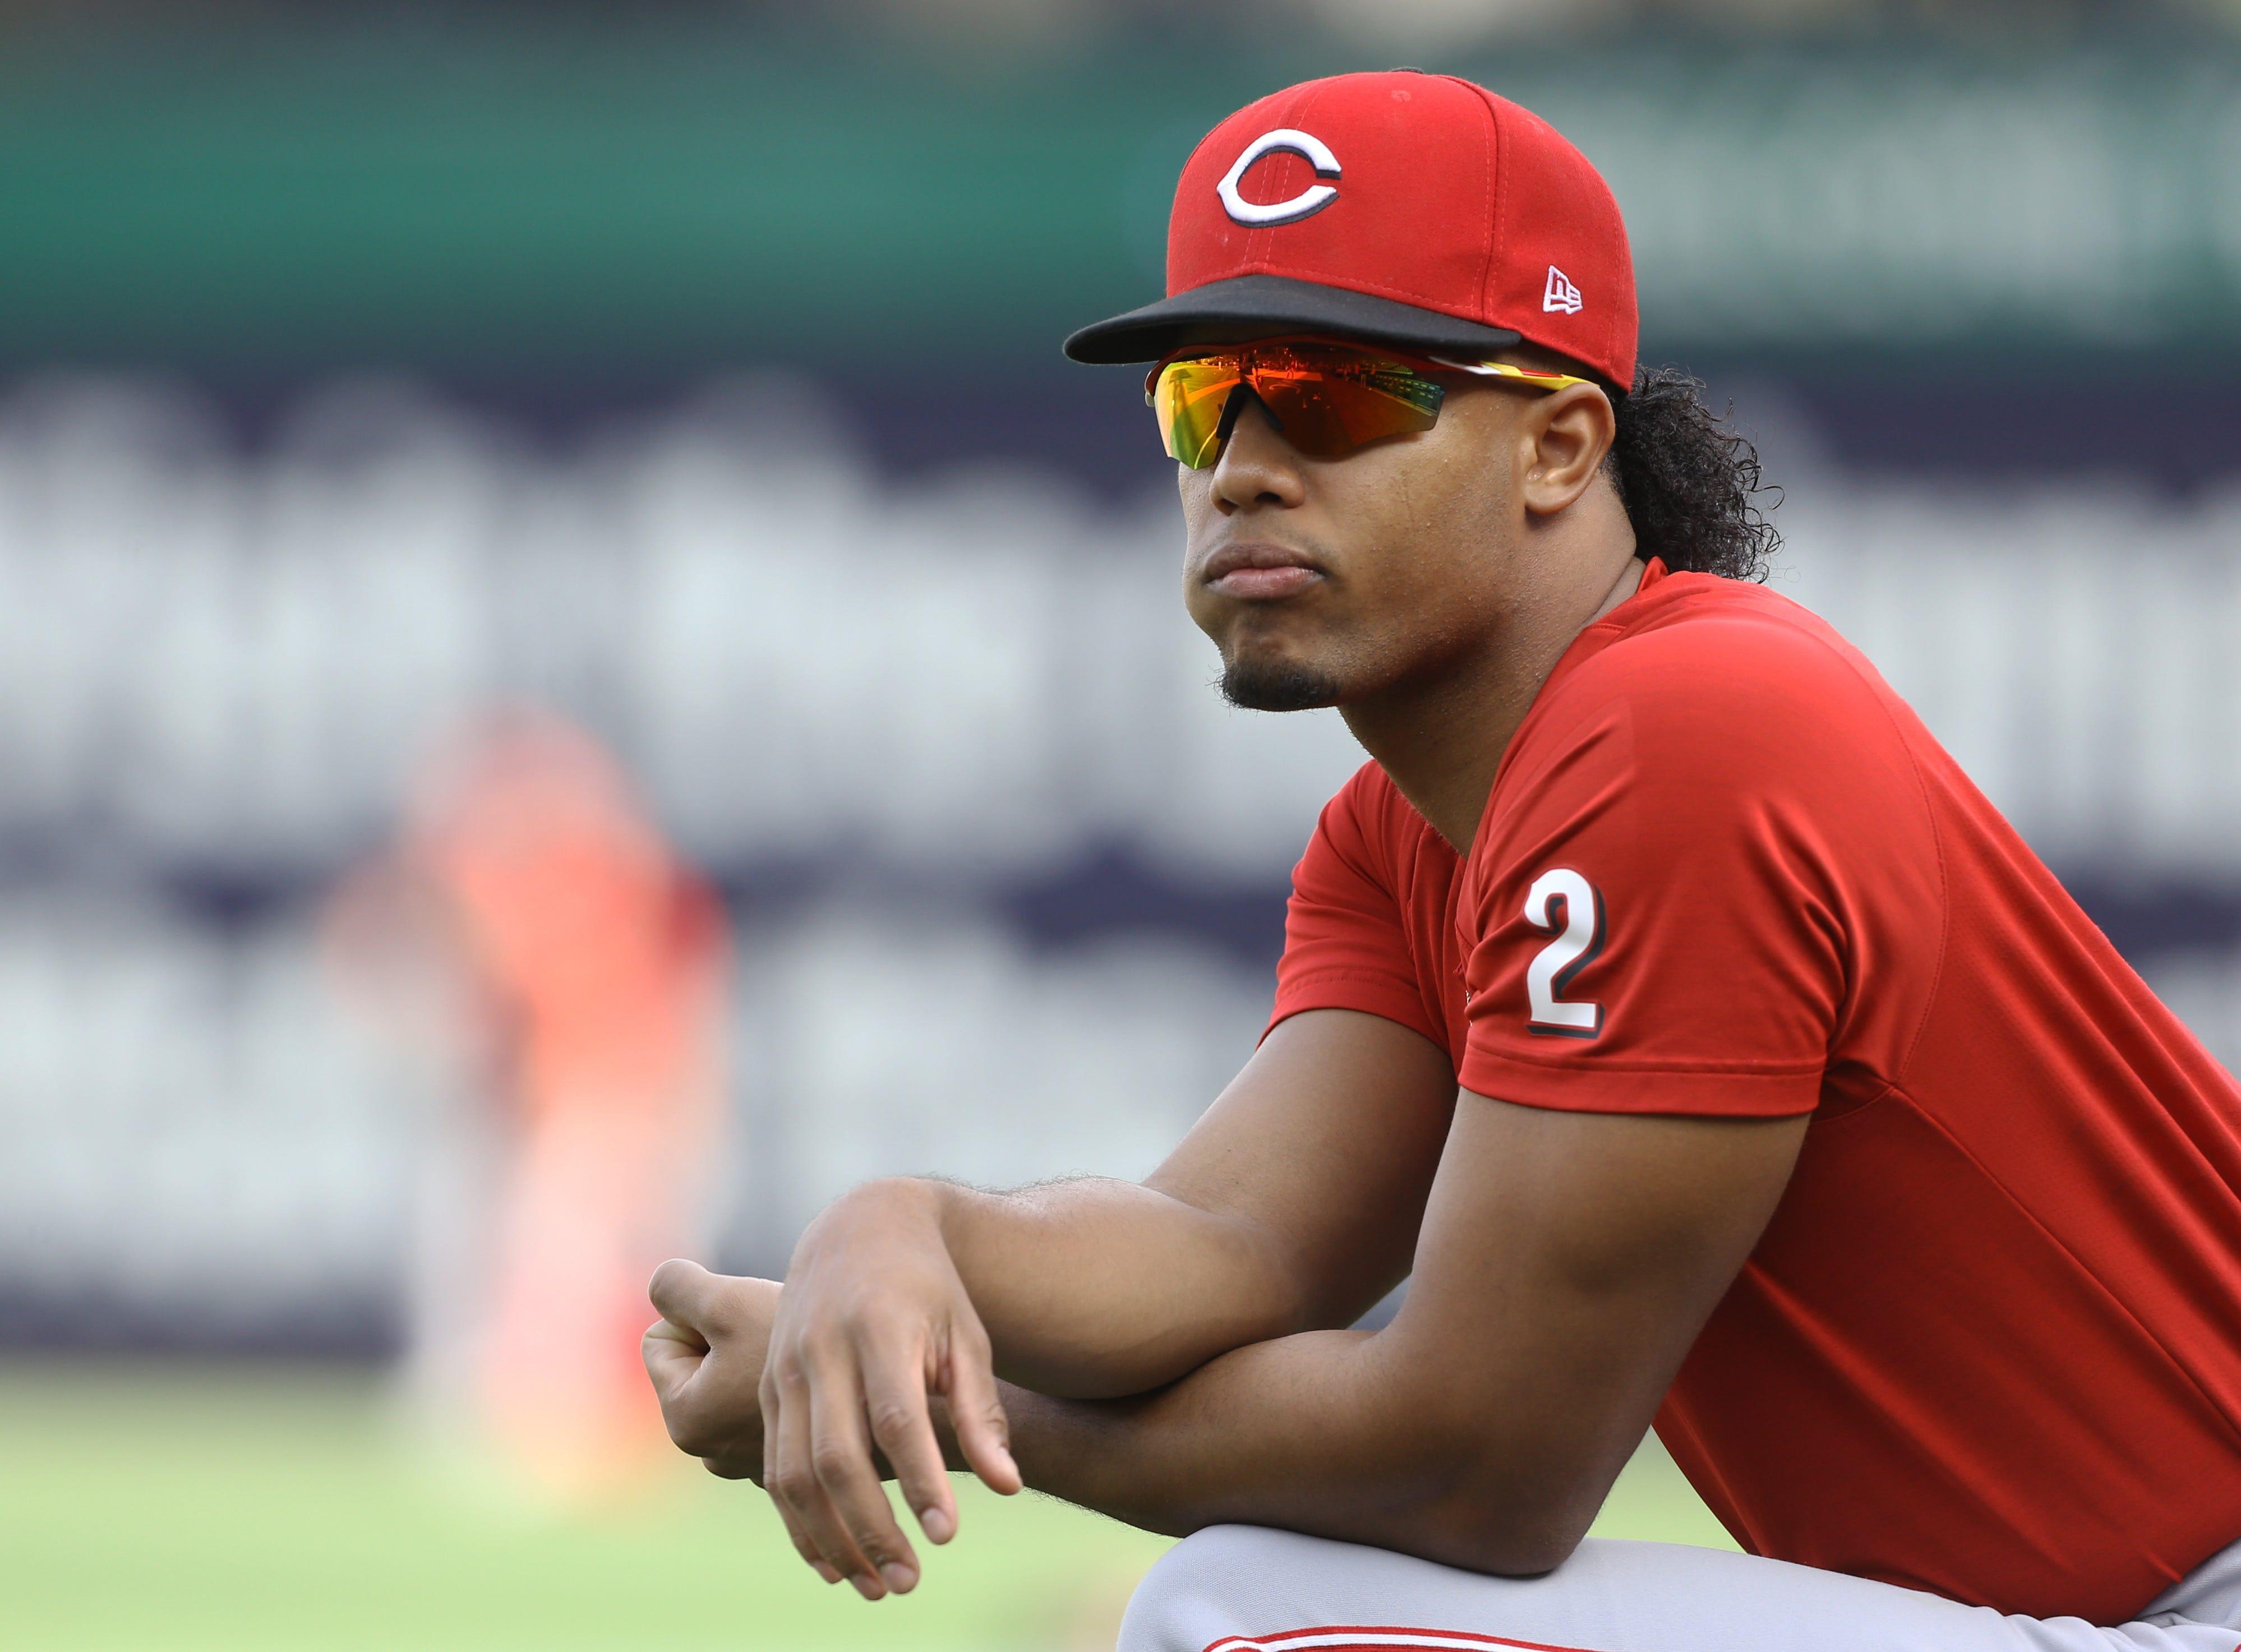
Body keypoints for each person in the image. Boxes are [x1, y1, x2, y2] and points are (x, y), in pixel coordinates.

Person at [642, 71, 2241, 1650]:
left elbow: (1481, 1466)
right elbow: (1235, 1249)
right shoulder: (1406, 826)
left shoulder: (1683, 730)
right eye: (1202, 401)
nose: (1243, 467)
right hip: (2083, 1612)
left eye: (1336, 395)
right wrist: (902, 1230)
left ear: (1556, 449)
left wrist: (940, 1397)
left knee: (1243, 1613)